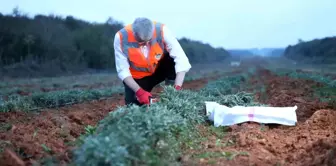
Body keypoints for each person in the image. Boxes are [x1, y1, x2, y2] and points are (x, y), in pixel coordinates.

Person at [114, 17, 192, 106]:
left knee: (172, 60)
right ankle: (140, 96)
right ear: (134, 33)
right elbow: (123, 71)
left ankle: (170, 95)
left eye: (149, 41)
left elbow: (181, 58)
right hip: (138, 78)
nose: (147, 44)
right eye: (142, 42)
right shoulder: (121, 37)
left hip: (158, 70)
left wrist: (177, 87)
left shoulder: (162, 30)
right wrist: (139, 92)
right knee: (133, 106)